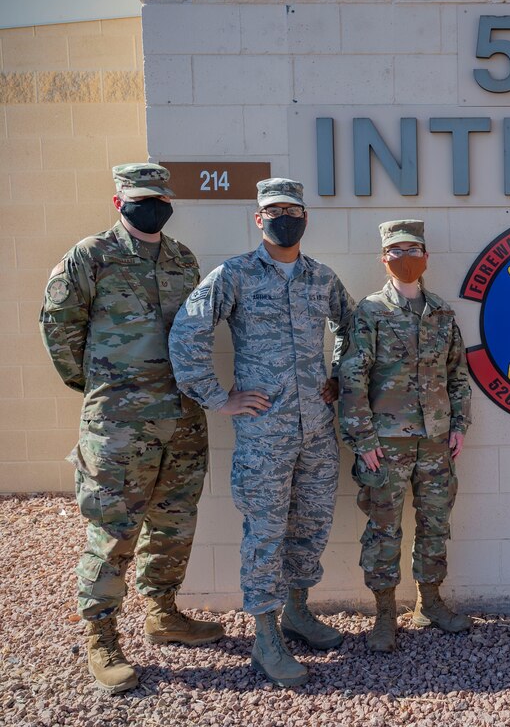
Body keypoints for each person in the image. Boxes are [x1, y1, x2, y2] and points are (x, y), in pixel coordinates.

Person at [39, 163, 224, 694]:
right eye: (142, 197)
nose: (154, 205)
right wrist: (100, 387)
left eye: (161, 197)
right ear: (119, 202)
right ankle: (101, 638)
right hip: (119, 423)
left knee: (174, 522)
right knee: (114, 529)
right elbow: (59, 325)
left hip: (183, 416)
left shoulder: (183, 258)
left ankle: (164, 614)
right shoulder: (91, 256)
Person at [169, 178, 354, 687]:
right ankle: (265, 636)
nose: (283, 218)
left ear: (305, 217)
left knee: (310, 526)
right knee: (265, 534)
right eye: (273, 210)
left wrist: (336, 375)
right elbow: (188, 331)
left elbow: (353, 329)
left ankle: (297, 612)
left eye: (292, 209)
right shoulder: (235, 275)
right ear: (259, 219)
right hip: (264, 432)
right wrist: (216, 397)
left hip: (315, 431)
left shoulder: (322, 278)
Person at [338, 219, 473, 653]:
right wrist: (363, 440)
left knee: (435, 524)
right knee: (384, 530)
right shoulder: (370, 312)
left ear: (426, 258)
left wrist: (458, 425)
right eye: (396, 252)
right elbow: (352, 377)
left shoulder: (443, 313)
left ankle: (429, 603)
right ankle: (383, 614)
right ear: (384, 259)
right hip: (386, 443)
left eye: (412, 250)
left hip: (435, 441)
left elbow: (457, 374)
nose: (405, 259)